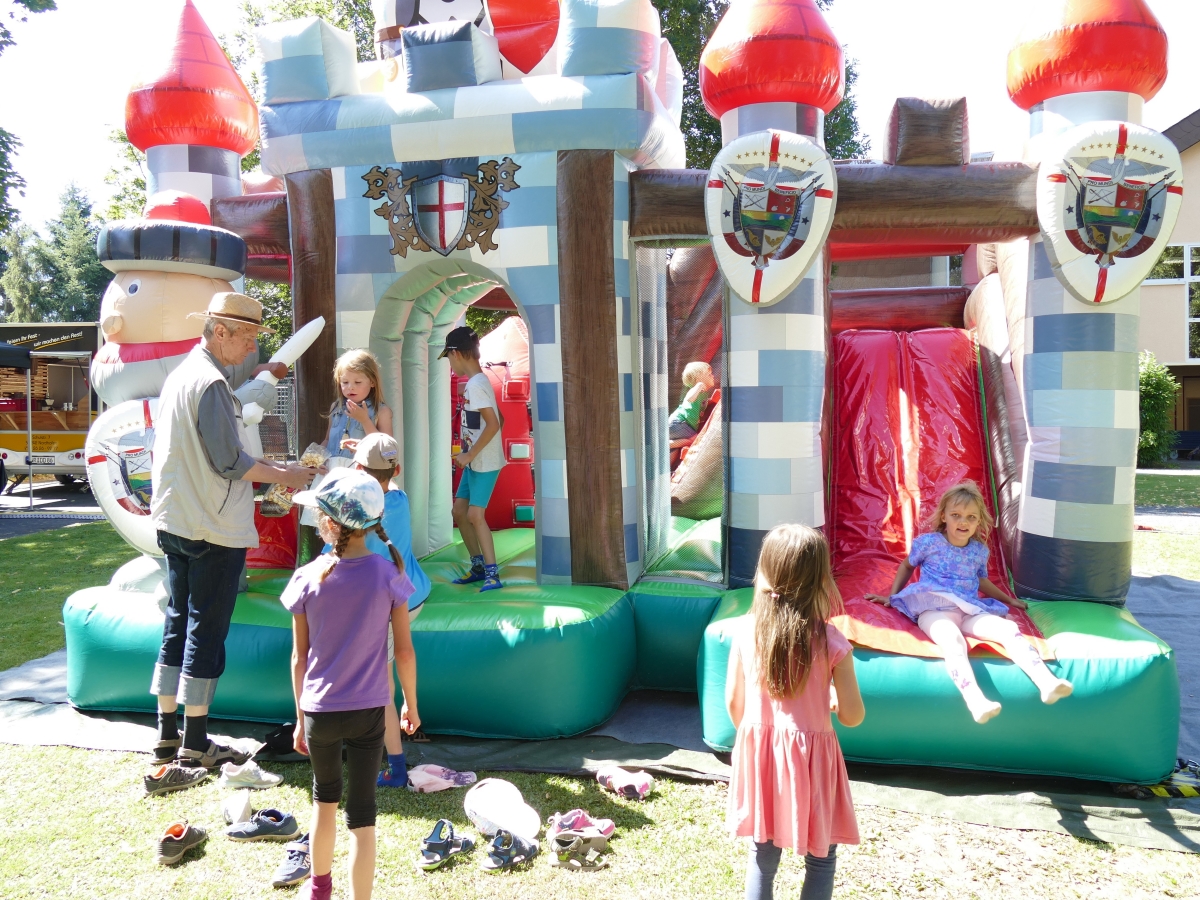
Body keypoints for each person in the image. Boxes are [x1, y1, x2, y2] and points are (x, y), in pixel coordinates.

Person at [149, 292, 315, 773]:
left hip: (175, 518)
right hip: (211, 525)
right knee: (205, 628)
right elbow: (229, 462)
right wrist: (285, 476)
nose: (251, 350)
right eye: (247, 338)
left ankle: (167, 736)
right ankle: (196, 742)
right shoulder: (211, 383)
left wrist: (271, 469)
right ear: (219, 330)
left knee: (177, 620)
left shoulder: (181, 376)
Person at [284, 468, 420, 900]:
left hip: (320, 713)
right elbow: (403, 652)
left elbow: (299, 658)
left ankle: (319, 889)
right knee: (363, 818)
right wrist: (410, 705)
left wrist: (300, 717)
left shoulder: (307, 577)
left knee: (324, 804)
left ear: (328, 522)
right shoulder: (389, 574)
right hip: (368, 714)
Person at [726, 524, 864, 900]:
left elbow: (734, 704)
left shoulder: (744, 632)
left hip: (761, 759)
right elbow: (853, 716)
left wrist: (760, 737)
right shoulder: (833, 642)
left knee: (762, 855)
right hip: (813, 764)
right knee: (821, 857)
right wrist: (832, 699)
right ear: (821, 581)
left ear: (764, 572)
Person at [866, 481, 1073, 723]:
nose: (963, 522)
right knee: (950, 638)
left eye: (970, 517)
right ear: (944, 516)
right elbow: (906, 566)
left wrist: (1008, 599)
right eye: (956, 515)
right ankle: (975, 700)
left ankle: (1046, 682)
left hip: (968, 608)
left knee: (1008, 628)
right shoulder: (928, 543)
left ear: (978, 521)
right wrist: (892, 597)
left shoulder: (978, 551)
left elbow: (981, 581)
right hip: (933, 608)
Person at [345, 432, 431, 788]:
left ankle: (395, 766)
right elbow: (382, 479)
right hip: (411, 596)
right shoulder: (400, 498)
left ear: (358, 469)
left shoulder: (355, 511)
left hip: (379, 602)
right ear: (395, 469)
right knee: (393, 665)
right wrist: (366, 458)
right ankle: (407, 715)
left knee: (379, 688)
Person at [439, 326, 505, 592]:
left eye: (449, 357)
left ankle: (492, 573)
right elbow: (500, 418)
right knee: (459, 512)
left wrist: (470, 453)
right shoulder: (480, 381)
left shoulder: (476, 385)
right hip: (475, 461)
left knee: (476, 515)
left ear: (456, 354)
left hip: (482, 462)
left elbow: (493, 424)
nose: (450, 364)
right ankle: (478, 566)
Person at [323, 349, 393, 461]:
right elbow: (327, 440)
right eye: (345, 382)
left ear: (372, 382)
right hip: (332, 471)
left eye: (358, 382)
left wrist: (364, 420)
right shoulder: (336, 407)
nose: (351, 387)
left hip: (361, 472)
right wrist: (315, 457)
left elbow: (387, 449)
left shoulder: (382, 411)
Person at [669, 361, 716, 449]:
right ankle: (664, 445)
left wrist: (712, 401)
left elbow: (700, 404)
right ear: (699, 379)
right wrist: (699, 385)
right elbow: (689, 399)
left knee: (675, 449)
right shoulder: (696, 389)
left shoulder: (703, 394)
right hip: (680, 422)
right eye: (709, 375)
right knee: (695, 440)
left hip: (681, 425)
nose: (712, 376)